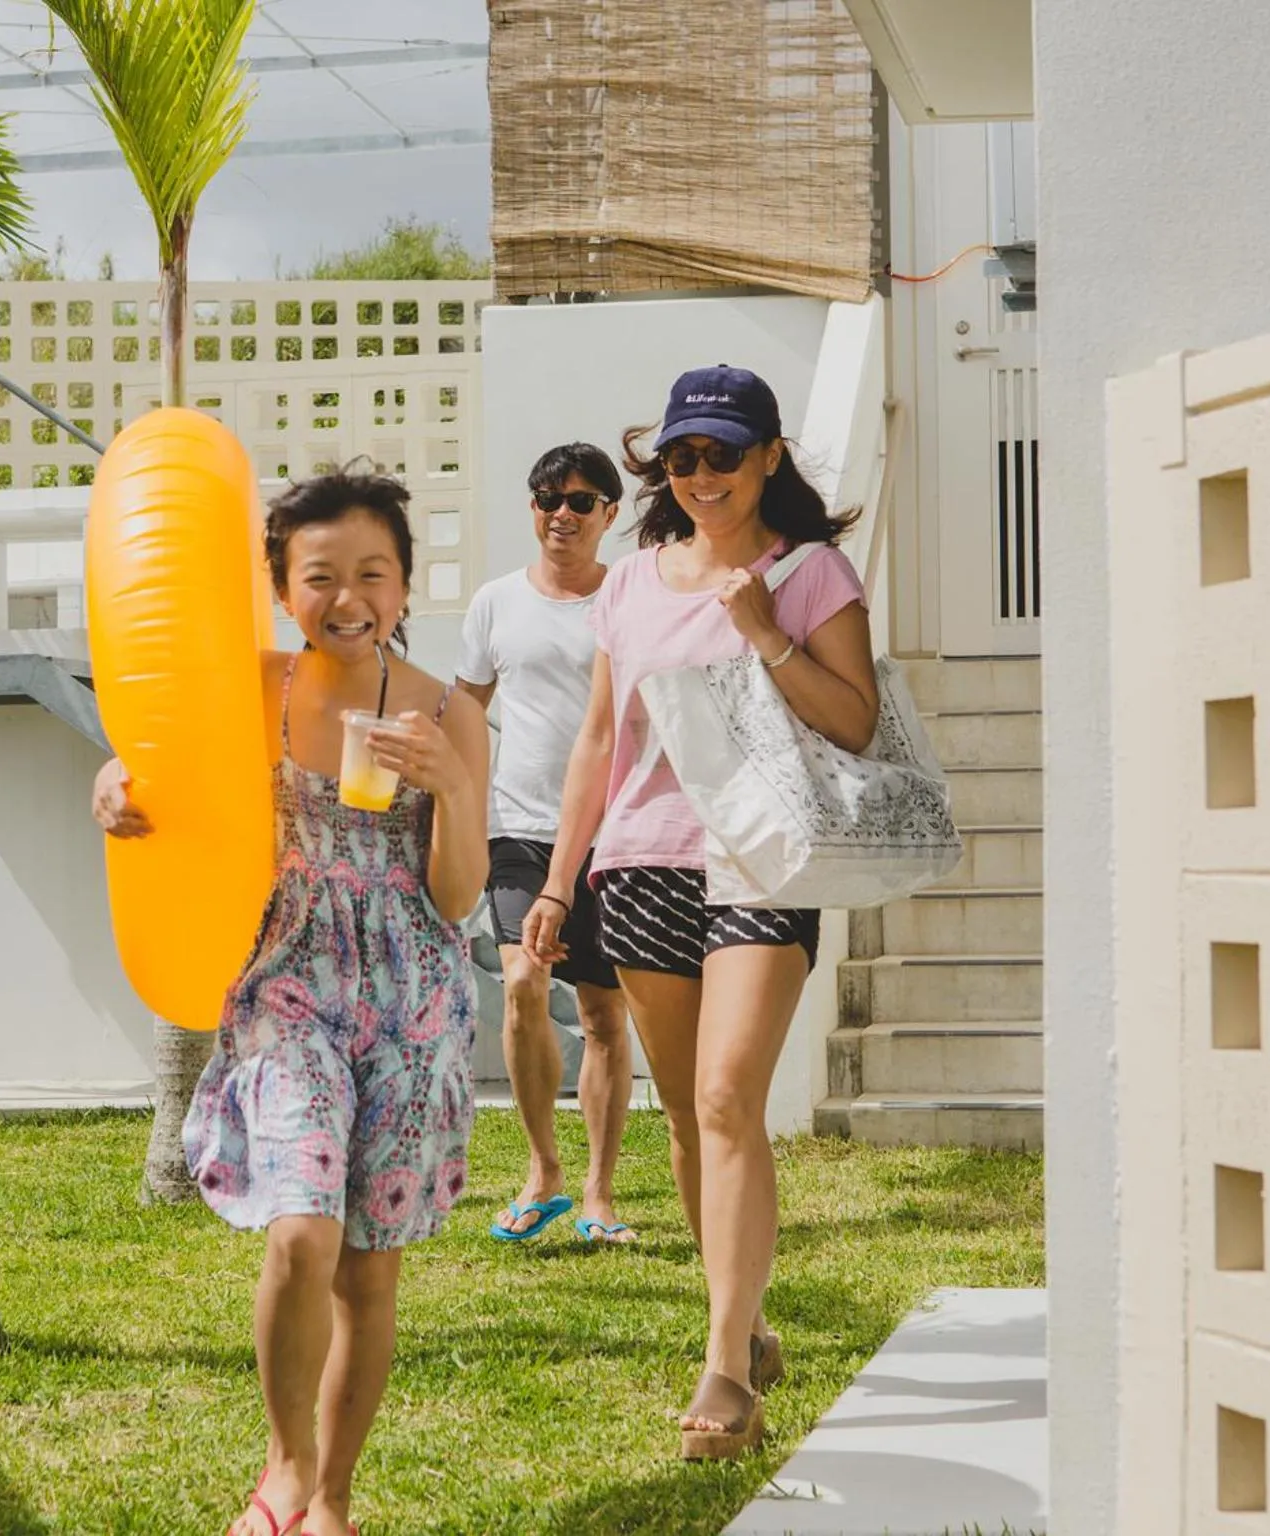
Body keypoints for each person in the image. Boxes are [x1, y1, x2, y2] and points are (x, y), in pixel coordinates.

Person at [90, 470, 489, 1536]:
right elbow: (162, 766)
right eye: (319, 577)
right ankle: (284, 1465)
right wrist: (115, 777)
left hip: (412, 999)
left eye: (372, 573)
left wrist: (449, 783)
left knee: (367, 1270)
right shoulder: (253, 688)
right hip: (288, 989)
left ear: (403, 584)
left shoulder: (447, 710)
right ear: (281, 588)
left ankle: (334, 1503)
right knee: (301, 1233)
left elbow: (454, 898)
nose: (347, 597)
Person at [524, 366, 878, 1461]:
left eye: (722, 454)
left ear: (769, 456)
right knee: (684, 1117)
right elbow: (597, 742)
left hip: (763, 864)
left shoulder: (810, 573)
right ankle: (749, 1320)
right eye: (680, 458)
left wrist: (766, 630)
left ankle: (724, 1369)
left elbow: (856, 724)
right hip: (638, 867)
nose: (699, 476)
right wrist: (553, 880)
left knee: (728, 1097)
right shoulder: (628, 585)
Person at [454, 443, 639, 1246]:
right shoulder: (496, 602)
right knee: (523, 979)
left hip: (616, 834)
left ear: (610, 513)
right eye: (545, 498)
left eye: (580, 500)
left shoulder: (628, 601)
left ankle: (598, 1193)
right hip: (518, 831)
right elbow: (465, 710)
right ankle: (543, 1172)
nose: (559, 512)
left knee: (602, 1014)